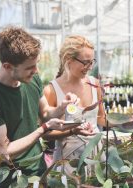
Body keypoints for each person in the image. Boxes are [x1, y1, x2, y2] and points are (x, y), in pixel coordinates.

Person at [0, 27, 85, 186]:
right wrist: (43, 129)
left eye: (36, 64)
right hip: (8, 178)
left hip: (38, 171)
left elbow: (45, 112)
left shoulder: (32, 80)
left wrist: (61, 108)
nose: (36, 71)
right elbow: (5, 151)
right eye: (29, 67)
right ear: (7, 66)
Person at [42, 35, 106, 173]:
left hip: (97, 155)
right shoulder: (51, 91)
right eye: (85, 62)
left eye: (92, 62)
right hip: (68, 159)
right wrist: (71, 131)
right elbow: (44, 133)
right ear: (68, 60)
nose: (89, 67)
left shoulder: (95, 84)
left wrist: (128, 121)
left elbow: (101, 119)